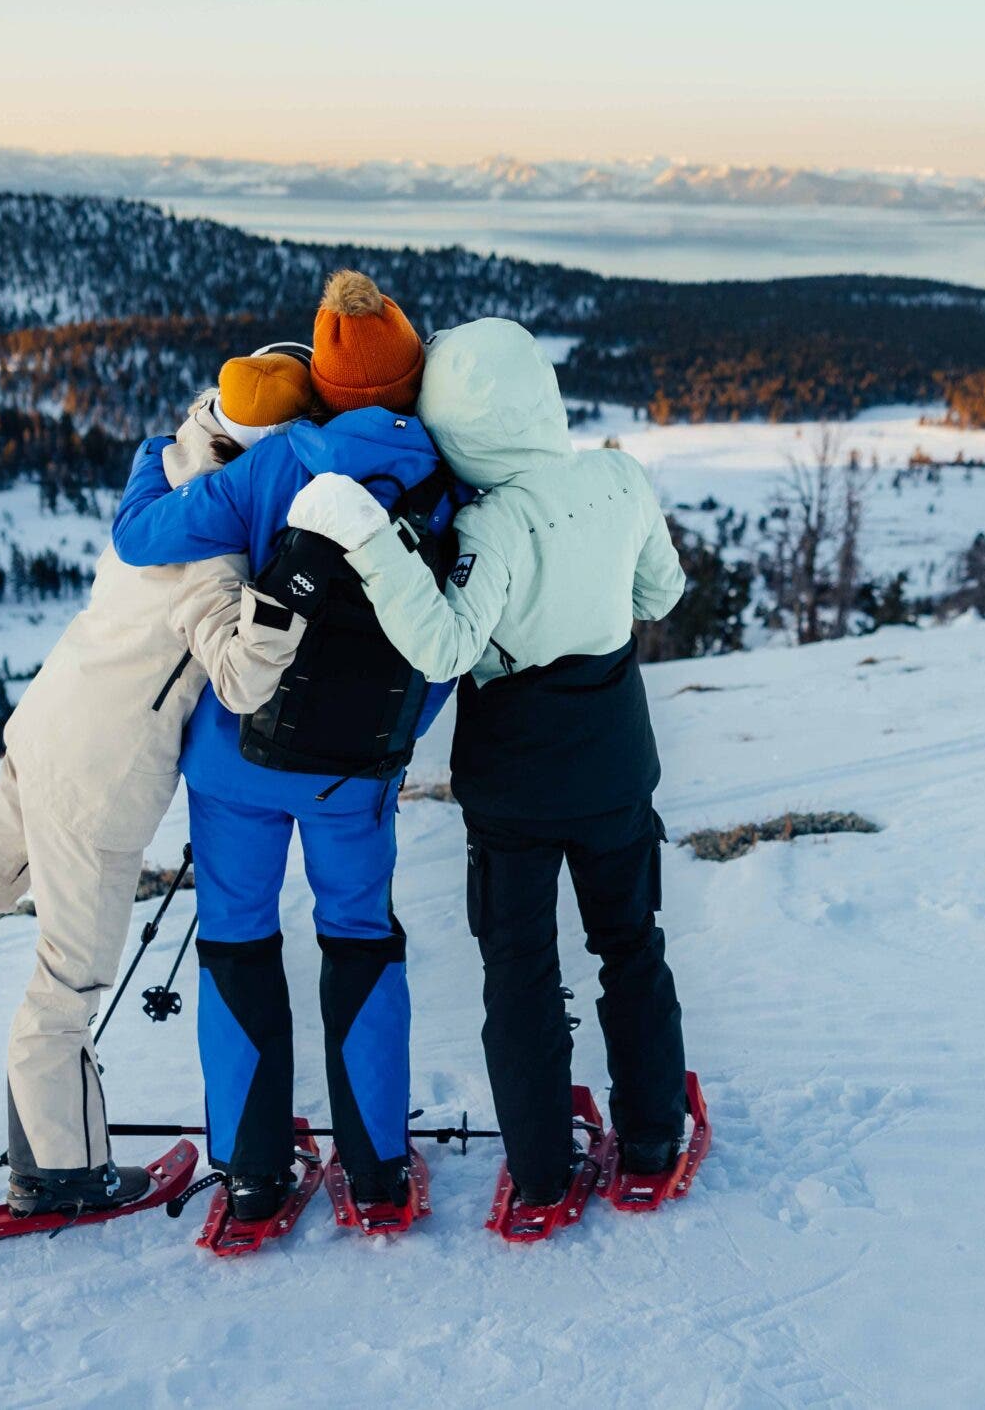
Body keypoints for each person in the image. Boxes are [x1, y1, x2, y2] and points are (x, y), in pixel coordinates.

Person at [0, 343, 319, 1217]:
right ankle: (60, 1171)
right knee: (70, 979)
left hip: (45, 722)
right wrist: (283, 607)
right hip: (102, 775)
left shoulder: (166, 470)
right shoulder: (214, 542)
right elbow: (237, 677)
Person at [286, 315, 691, 1207]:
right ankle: (656, 1138)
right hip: (617, 761)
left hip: (514, 779)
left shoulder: (491, 525)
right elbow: (661, 590)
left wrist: (370, 537)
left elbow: (443, 646)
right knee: (631, 947)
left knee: (520, 967)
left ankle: (544, 1169)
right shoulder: (620, 477)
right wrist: (591, 598)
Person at [108, 269, 461, 1221]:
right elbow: (448, 633)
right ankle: (379, 1170)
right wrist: (399, 737)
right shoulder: (444, 480)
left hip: (238, 767)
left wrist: (160, 448)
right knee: (361, 937)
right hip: (357, 772)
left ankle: (256, 1173)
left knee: (236, 938)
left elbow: (142, 537)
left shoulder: (274, 465)